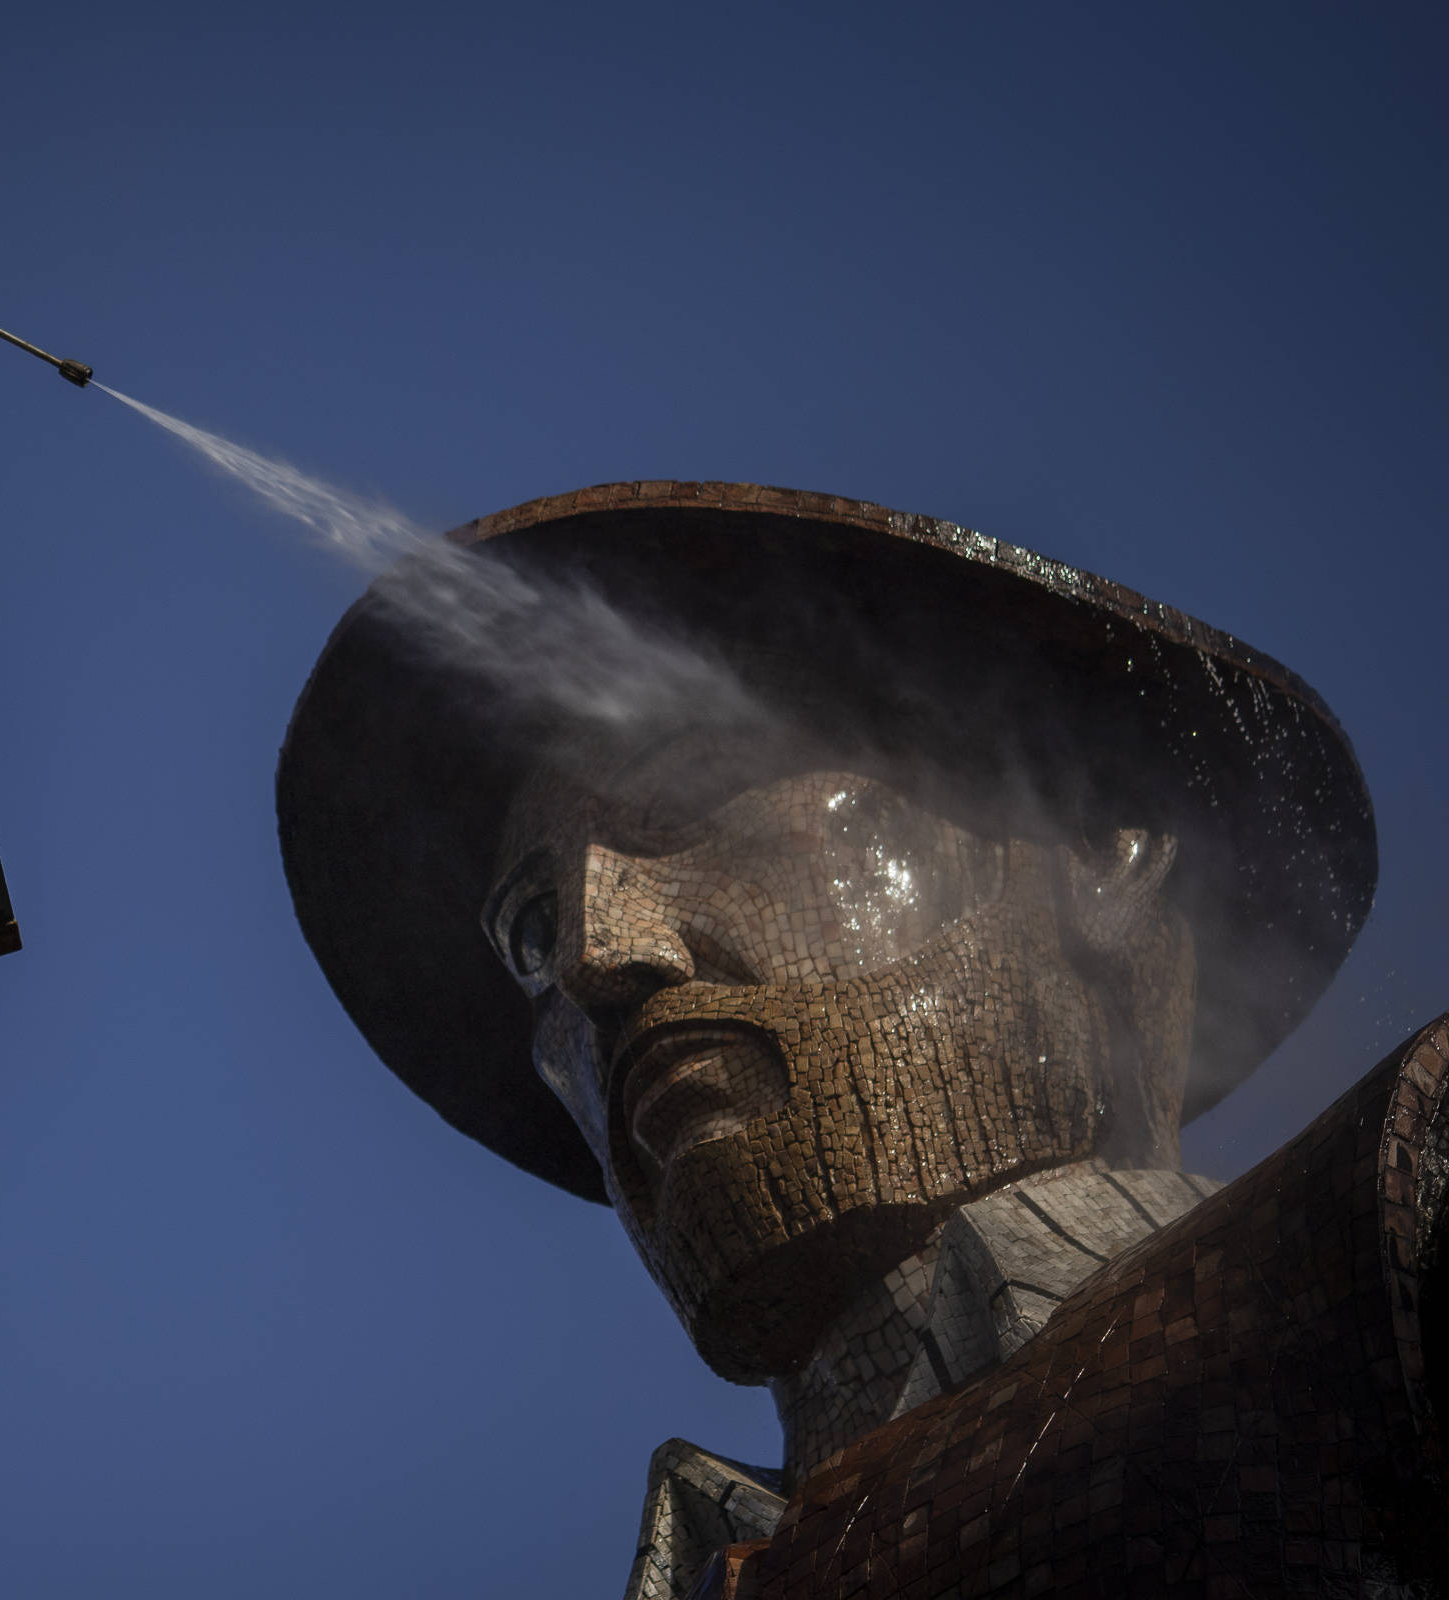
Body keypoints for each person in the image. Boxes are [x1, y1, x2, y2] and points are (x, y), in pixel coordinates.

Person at [276, 482, 1445, 1597]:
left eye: (699, 794)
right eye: (532, 930)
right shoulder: (712, 1557)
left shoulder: (1388, 1238)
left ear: (1094, 849)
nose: (594, 954)